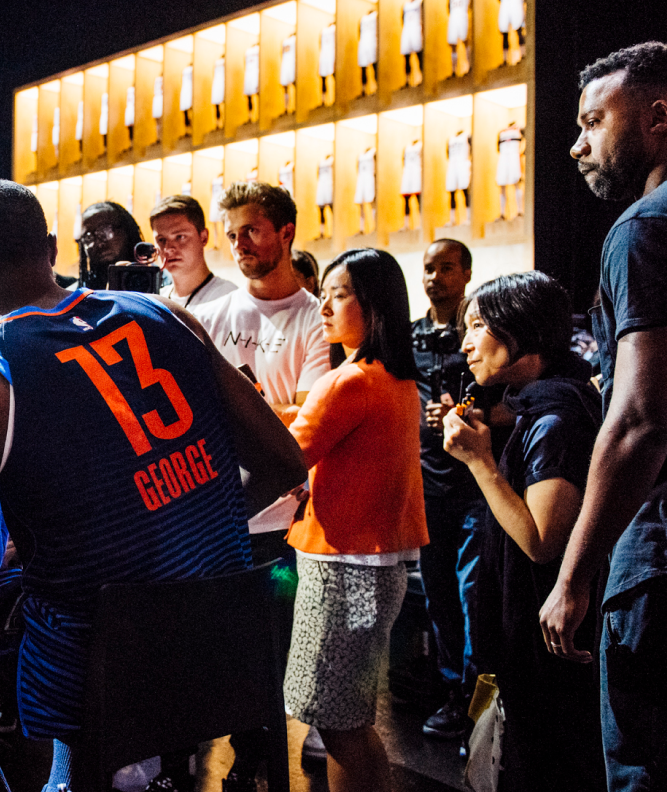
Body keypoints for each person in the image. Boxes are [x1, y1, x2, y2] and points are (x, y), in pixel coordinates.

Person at [0, 179, 306, 788]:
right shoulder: (170, 314)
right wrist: (188, 515)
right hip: (220, 642)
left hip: (95, 661)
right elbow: (285, 461)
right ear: (50, 248)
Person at [542, 41, 667, 790]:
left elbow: (641, 419)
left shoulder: (652, 224)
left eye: (593, 121)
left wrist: (575, 575)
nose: (576, 143)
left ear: (657, 116)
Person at [442, 271, 604, 791]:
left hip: (546, 640)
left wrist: (480, 462)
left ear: (520, 330)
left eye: (478, 325)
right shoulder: (540, 405)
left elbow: (541, 541)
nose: (465, 342)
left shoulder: (556, 417)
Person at [195, 181, 332, 781]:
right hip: (205, 509)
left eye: (250, 230)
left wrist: (241, 408)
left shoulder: (315, 319)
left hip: (278, 519)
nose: (239, 244)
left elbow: (310, 421)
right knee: (211, 654)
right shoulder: (209, 314)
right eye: (231, 234)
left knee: (267, 658)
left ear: (285, 232)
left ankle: (253, 767)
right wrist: (259, 409)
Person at [282, 248, 428, 792]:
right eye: (323, 295)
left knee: (336, 719)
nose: (324, 307)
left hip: (341, 568)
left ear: (374, 304)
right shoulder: (394, 378)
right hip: (374, 567)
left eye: (337, 295)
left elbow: (286, 455)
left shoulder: (349, 381)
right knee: (350, 716)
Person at [412, 238, 490, 739]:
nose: (435, 277)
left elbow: (509, 397)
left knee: (474, 595)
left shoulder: (481, 333)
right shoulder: (408, 336)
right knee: (438, 596)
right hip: (425, 486)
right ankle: (451, 695)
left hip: (475, 487)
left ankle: (478, 702)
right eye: (428, 268)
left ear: (465, 273)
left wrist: (473, 415)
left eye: (445, 268)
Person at [150, 194, 237, 317]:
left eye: (180, 237)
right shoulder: (155, 300)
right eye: (161, 240)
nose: (168, 249)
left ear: (204, 237)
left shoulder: (229, 298)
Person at [75, 200, 142, 289]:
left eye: (106, 231)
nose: (99, 244)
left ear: (126, 231)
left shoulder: (159, 284)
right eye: (88, 237)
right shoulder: (77, 295)